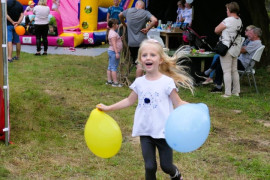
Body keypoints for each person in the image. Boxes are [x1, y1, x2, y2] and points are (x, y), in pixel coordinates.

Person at [96, 39, 194, 180]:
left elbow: (177, 102)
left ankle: (175, 174)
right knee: (149, 166)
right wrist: (108, 108)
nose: (148, 58)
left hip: (164, 132)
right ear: (140, 60)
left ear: (160, 60)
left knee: (166, 166)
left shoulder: (167, 82)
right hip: (145, 131)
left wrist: (195, 109)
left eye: (152, 55)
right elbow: (129, 100)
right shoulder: (139, 83)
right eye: (144, 55)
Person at [119, 0, 158, 78]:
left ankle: (142, 80)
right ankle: (138, 84)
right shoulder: (145, 13)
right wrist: (147, 28)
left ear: (136, 5)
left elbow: (120, 15)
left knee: (138, 63)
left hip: (131, 43)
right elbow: (155, 20)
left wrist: (124, 24)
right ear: (143, 7)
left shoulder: (128, 11)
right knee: (140, 64)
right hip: (142, 43)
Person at [214, 2, 242, 97]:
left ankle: (227, 93)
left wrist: (222, 32)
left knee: (226, 71)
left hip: (227, 48)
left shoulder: (228, 20)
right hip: (235, 48)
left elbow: (216, 30)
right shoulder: (239, 20)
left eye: (227, 9)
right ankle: (236, 91)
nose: (226, 11)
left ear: (229, 10)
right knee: (234, 70)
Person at [106, 18, 123, 87]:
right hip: (113, 52)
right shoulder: (113, 33)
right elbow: (114, 44)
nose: (118, 25)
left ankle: (109, 81)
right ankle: (115, 82)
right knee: (114, 67)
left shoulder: (111, 32)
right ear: (113, 25)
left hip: (111, 51)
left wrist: (119, 38)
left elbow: (115, 41)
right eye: (117, 24)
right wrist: (116, 53)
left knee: (110, 66)